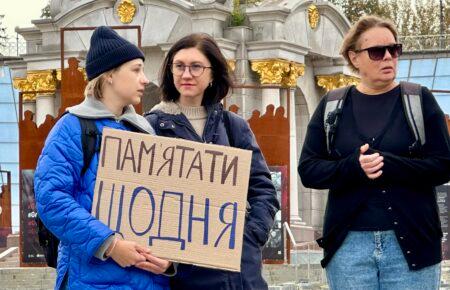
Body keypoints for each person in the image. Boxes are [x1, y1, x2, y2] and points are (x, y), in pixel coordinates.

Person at [298, 15, 450, 289]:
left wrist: (390, 164)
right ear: (354, 58)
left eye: (394, 49)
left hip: (412, 245)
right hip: (348, 248)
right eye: (377, 51)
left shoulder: (419, 99)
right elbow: (308, 170)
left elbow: (443, 165)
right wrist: (353, 167)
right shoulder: (332, 105)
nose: (388, 57)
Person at [34, 26, 173, 290]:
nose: (144, 79)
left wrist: (169, 261)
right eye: (135, 70)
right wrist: (109, 244)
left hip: (148, 281)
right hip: (89, 280)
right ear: (109, 74)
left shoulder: (145, 130)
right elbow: (51, 198)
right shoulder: (72, 127)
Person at [145, 33, 279, 290]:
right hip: (181, 273)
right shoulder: (151, 127)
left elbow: (262, 188)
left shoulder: (234, 126)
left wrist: (248, 237)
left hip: (238, 271)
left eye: (196, 66)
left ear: (213, 73)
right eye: (179, 66)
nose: (186, 74)